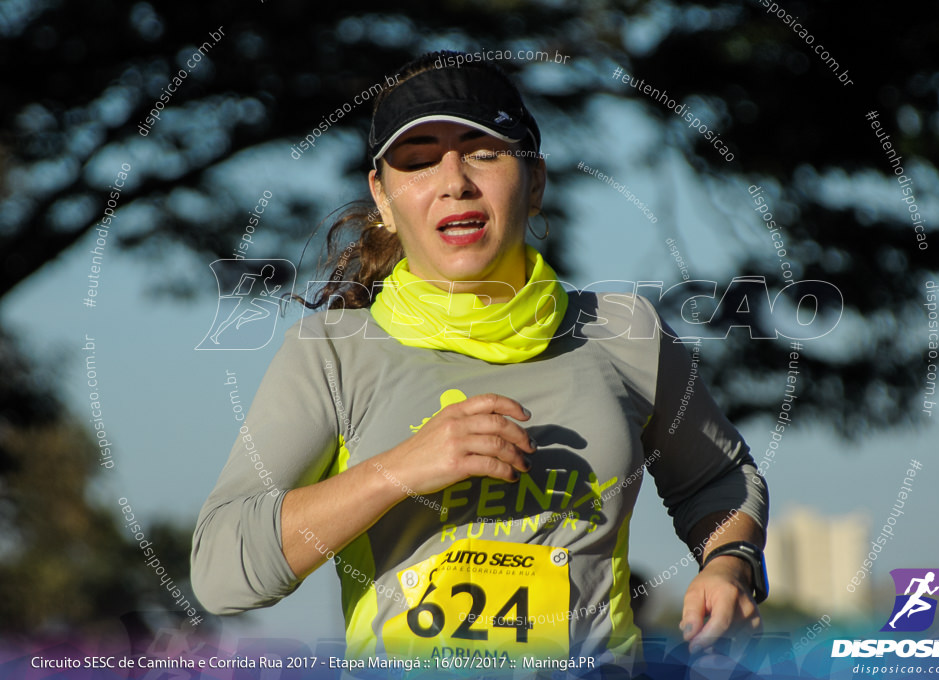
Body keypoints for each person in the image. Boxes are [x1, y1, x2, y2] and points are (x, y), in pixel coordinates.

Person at [191, 50, 769, 670]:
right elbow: (223, 573)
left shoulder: (624, 332)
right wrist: (397, 471)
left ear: (536, 180)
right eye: (417, 161)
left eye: (483, 152)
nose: (454, 180)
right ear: (382, 197)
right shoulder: (330, 352)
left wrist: (729, 564)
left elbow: (719, 478)